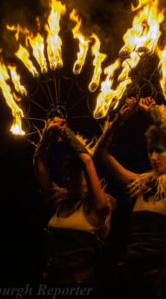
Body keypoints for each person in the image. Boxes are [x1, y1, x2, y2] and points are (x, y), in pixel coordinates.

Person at [94, 96, 166, 298]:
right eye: (151, 151)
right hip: (132, 283)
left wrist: (155, 115)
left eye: (160, 151)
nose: (153, 157)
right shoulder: (141, 184)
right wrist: (121, 118)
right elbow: (101, 153)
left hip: (165, 286)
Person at [33, 116, 115, 287]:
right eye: (66, 173)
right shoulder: (59, 201)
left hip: (80, 286)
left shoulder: (97, 206)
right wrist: (48, 134)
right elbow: (38, 162)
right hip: (51, 284)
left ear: (86, 174)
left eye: (74, 172)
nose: (69, 178)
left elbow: (86, 161)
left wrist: (65, 131)